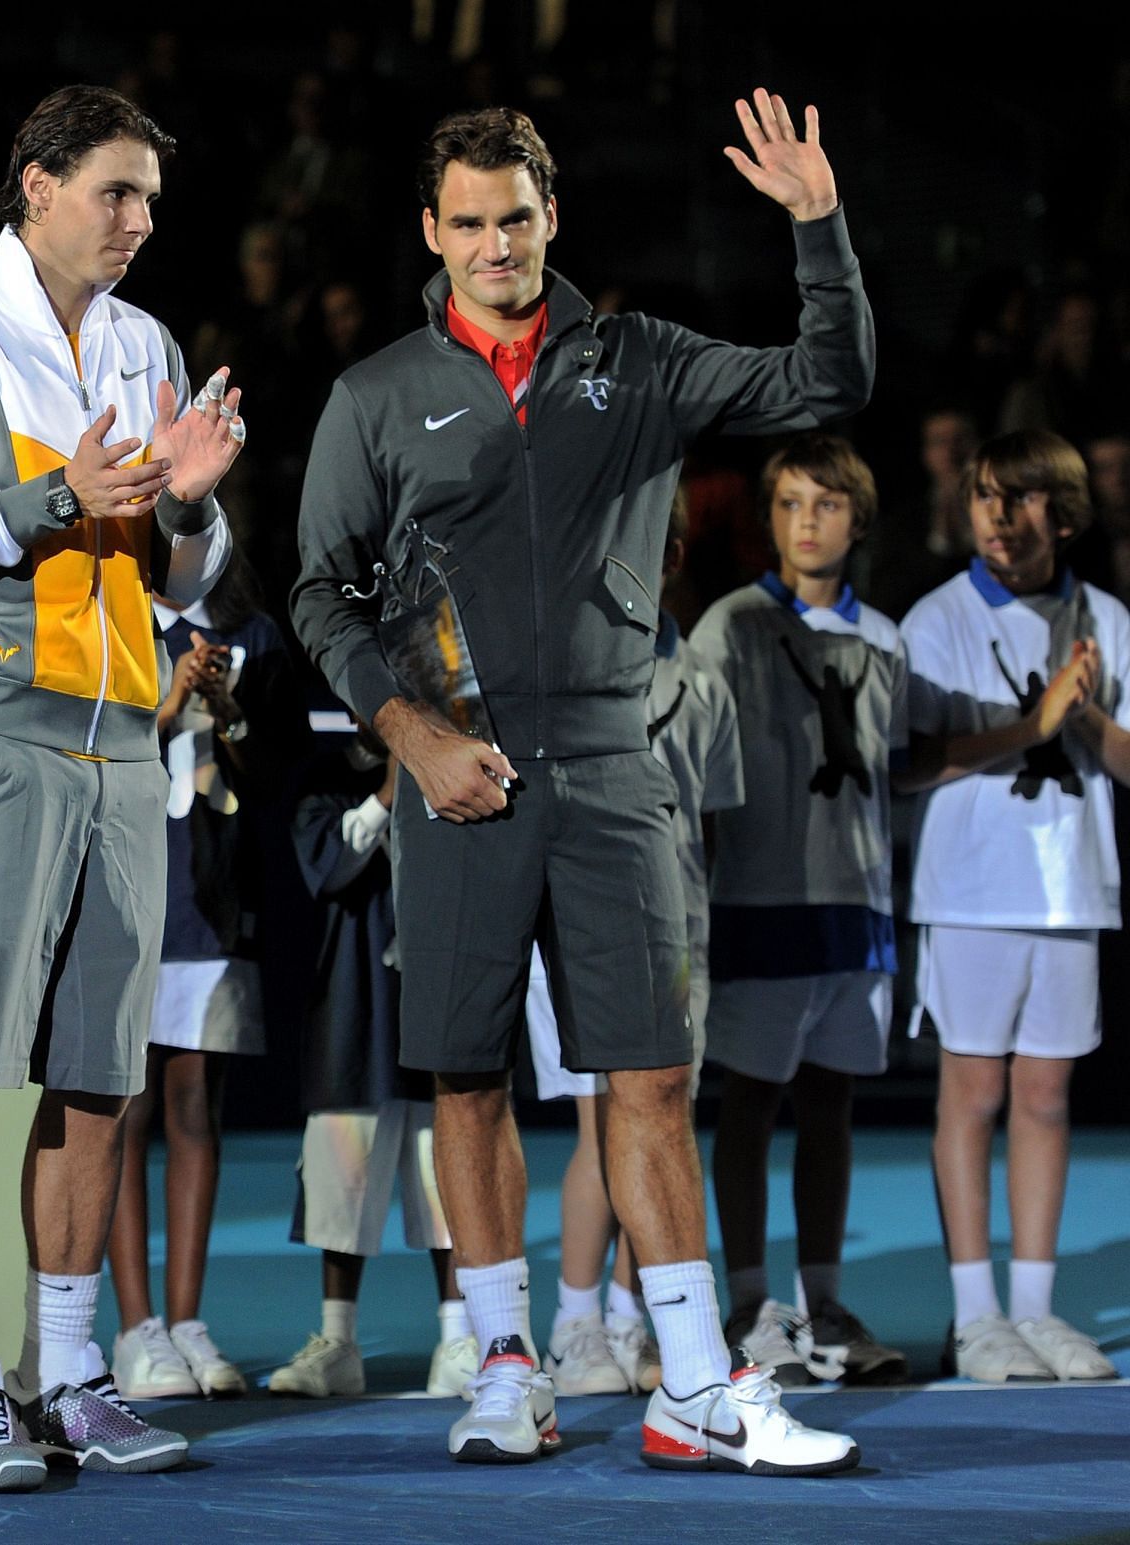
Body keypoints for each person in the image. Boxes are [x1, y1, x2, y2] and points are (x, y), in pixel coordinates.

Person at [291, 92, 868, 1475]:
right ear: (432, 231)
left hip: (616, 768)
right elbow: (320, 591)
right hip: (462, 774)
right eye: (471, 222)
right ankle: (505, 1367)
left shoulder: (644, 361)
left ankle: (693, 1389)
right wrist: (409, 736)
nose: (497, 244)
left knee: (652, 1081)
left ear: (555, 219)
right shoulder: (375, 394)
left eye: (519, 218)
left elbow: (826, 383)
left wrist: (818, 226)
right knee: (468, 1082)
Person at [0, 85, 241, 1493]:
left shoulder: (147, 346)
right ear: (38, 186)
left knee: (97, 1079)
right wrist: (49, 498)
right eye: (116, 193)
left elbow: (187, 571)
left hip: (125, 746)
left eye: (150, 198)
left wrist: (190, 505)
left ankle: (70, 1374)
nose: (140, 222)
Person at [895, 429, 1125, 1384]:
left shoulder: (1106, 618)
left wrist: (1089, 719)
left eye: (1021, 498)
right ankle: (976, 1313)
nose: (997, 513)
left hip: (1072, 884)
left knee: (1044, 1095)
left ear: (1063, 515)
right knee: (975, 1092)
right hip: (972, 886)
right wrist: (1029, 727)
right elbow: (909, 765)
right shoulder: (937, 616)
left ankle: (1033, 1308)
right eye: (986, 495)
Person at [690, 434, 909, 1387]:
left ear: (856, 519)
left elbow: (901, 762)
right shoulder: (728, 625)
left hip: (856, 904)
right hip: (758, 898)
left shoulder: (888, 637)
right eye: (787, 504)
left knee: (833, 1103)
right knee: (750, 1104)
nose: (804, 522)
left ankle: (825, 1302)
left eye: (824, 504)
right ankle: (749, 1299)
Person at [527, 495, 744, 1400]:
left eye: (646, 552)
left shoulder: (704, 683)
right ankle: (576, 1322)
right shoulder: (552, 667)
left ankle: (631, 1314)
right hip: (573, 919)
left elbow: (715, 828)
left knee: (658, 1117)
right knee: (597, 1123)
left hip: (674, 928)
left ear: (675, 557)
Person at [107, 559, 300, 1400]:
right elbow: (98, 754)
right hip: (128, 896)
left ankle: (187, 1321)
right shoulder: (106, 616)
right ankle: (136, 1328)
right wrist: (172, 701)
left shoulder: (252, 634)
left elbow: (275, 779)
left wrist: (231, 716)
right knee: (126, 1111)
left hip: (212, 899)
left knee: (195, 1107)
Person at [270, 728, 477, 1401]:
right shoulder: (324, 776)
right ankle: (338, 1340)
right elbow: (328, 866)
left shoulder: (455, 768)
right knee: (340, 1175)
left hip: (436, 993)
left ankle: (458, 1338)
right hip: (352, 1007)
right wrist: (391, 787)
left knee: (444, 1171)